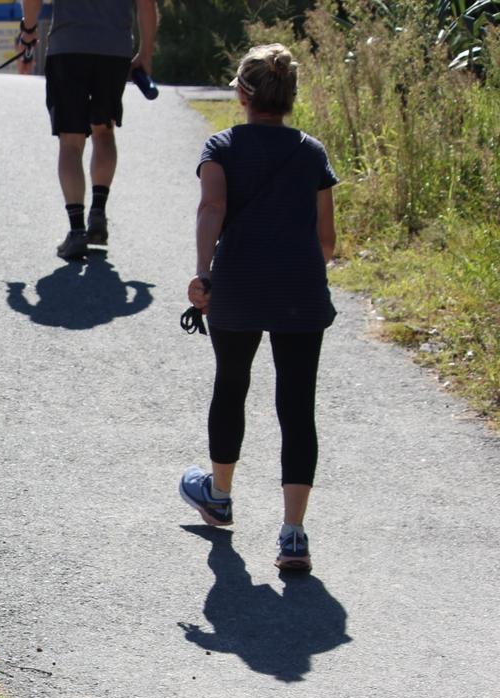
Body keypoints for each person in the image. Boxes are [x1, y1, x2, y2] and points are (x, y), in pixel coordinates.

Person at [178, 43, 338, 572]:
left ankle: (219, 494)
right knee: (297, 405)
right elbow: (327, 241)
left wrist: (204, 273)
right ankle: (293, 533)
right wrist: (297, 274)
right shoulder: (312, 153)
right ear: (289, 96)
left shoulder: (221, 146)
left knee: (232, 383)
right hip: (299, 291)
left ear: (242, 94)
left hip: (238, 286)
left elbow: (212, 207)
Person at [17, 0, 158, 260]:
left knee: (71, 143)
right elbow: (147, 5)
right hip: (114, 50)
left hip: (68, 47)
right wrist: (145, 53)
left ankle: (77, 230)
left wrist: (28, 31)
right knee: (104, 130)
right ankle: (98, 213)